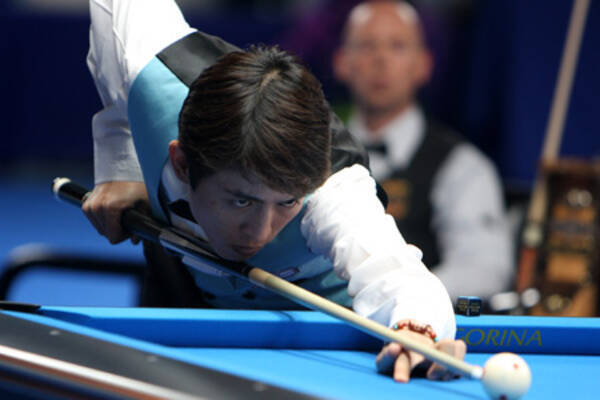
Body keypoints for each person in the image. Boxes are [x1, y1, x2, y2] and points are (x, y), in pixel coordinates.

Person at [82, 0, 465, 383]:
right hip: (185, 300)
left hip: (324, 348)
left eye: (286, 202)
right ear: (182, 163)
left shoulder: (336, 193)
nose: (261, 230)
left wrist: (417, 330)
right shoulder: (150, 68)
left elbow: (396, 273)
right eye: (241, 200)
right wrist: (120, 163)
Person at [332, 0, 513, 302]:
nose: (381, 59)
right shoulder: (314, 157)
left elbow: (485, 269)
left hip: (416, 324)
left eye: (398, 46)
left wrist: (400, 298)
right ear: (341, 62)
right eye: (366, 46)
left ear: (423, 65)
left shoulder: (461, 165)